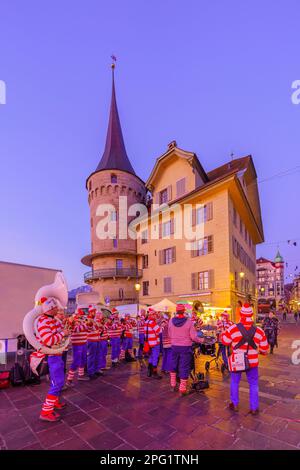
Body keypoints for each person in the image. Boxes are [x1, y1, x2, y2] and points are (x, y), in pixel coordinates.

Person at [221, 303, 269, 415]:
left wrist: (224, 334)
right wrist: (258, 351)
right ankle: (254, 407)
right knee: (253, 384)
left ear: (241, 314)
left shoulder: (232, 328)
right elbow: (265, 349)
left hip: (237, 361)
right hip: (252, 362)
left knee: (234, 382)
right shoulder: (259, 331)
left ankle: (235, 404)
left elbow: (225, 342)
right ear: (251, 315)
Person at [37, 297, 68, 422]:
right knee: (58, 382)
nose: (58, 309)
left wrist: (65, 330)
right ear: (50, 308)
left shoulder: (52, 320)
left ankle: (54, 402)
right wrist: (63, 334)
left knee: (57, 381)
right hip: (52, 356)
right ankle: (46, 411)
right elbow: (49, 340)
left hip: (57, 354)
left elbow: (59, 333)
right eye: (55, 307)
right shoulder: (43, 321)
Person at [168, 304, 204, 396]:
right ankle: (182, 389)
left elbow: (169, 334)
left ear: (176, 311)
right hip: (185, 347)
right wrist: (201, 340)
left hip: (174, 346)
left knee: (173, 364)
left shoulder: (171, 321)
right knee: (184, 367)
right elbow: (193, 337)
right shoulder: (189, 322)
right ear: (184, 311)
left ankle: (172, 385)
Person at [66, 309, 89, 386]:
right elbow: (77, 329)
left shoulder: (82, 321)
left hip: (84, 342)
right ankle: (69, 379)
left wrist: (85, 325)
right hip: (77, 344)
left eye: (82, 315)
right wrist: (85, 325)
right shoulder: (73, 321)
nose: (81, 316)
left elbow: (88, 329)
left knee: (83, 359)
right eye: (80, 315)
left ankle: (81, 375)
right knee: (76, 361)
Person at [144, 308, 162, 379]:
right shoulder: (152, 322)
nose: (156, 316)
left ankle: (149, 371)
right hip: (154, 343)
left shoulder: (146, 322)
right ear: (152, 315)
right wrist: (162, 326)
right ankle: (154, 372)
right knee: (155, 357)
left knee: (151, 356)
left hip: (149, 343)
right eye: (155, 314)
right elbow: (159, 331)